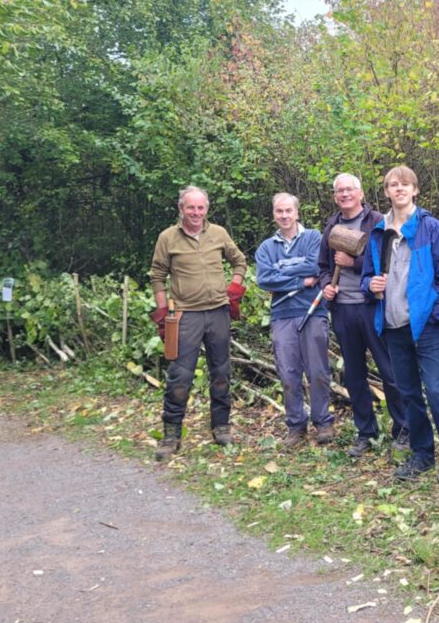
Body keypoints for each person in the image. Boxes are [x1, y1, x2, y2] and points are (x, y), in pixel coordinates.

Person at [361, 166, 439, 483]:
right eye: (393, 185)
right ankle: (422, 454)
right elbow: (367, 278)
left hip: (424, 328)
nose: (399, 189)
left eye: (405, 184)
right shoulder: (378, 233)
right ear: (386, 192)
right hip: (392, 326)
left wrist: (434, 318)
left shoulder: (431, 229)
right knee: (408, 393)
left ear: (415, 190)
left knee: (436, 392)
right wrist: (370, 286)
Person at [149, 185, 247, 461]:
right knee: (180, 375)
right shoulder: (167, 238)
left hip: (218, 312)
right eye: (190, 207)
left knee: (221, 372)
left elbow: (239, 261)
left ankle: (221, 426)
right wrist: (162, 311)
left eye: (200, 207)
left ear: (207, 209)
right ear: (181, 208)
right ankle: (171, 434)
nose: (196, 212)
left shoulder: (218, 234)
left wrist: (234, 289)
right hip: (185, 315)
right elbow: (157, 275)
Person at [319, 173, 409, 458]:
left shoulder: (378, 222)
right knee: (354, 374)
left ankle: (404, 429)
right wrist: (325, 286)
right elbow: (323, 265)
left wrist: (354, 262)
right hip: (343, 308)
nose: (345, 194)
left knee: (389, 370)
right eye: (339, 191)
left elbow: (388, 263)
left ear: (360, 193)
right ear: (335, 197)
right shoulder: (331, 226)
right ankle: (366, 432)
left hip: (373, 306)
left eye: (349, 189)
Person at [256, 193, 334, 448]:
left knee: (318, 372)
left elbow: (315, 265)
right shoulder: (266, 247)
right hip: (282, 315)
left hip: (313, 311)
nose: (284, 215)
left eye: (288, 210)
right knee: (288, 374)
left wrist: (282, 269)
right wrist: (300, 280)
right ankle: (296, 427)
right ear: (274, 214)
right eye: (279, 211)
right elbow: (264, 279)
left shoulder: (313, 237)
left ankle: (323, 423)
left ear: (297, 212)